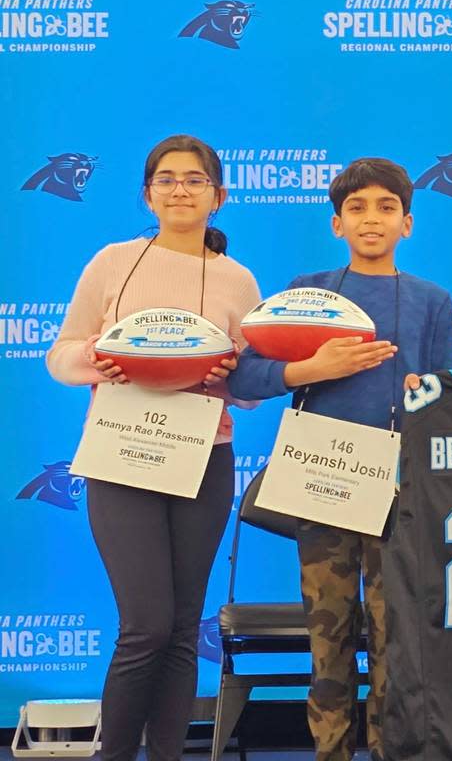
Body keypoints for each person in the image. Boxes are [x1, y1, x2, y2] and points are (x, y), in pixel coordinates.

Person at [227, 157, 452, 761]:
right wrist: (311, 369)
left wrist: (427, 395)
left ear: (407, 223)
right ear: (336, 224)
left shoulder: (433, 301)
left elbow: (449, 394)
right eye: (356, 208)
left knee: (394, 635)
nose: (371, 219)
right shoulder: (309, 292)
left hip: (397, 489)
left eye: (386, 207)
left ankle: (388, 749)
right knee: (327, 636)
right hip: (321, 482)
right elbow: (247, 375)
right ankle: (330, 751)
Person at [46, 134, 262, 761]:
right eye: (166, 180)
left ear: (219, 196)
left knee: (182, 629)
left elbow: (248, 389)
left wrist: (229, 377)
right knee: (145, 627)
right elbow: (60, 355)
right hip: (121, 456)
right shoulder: (113, 261)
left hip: (204, 458)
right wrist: (97, 359)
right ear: (147, 194)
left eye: (195, 180)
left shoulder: (236, 279)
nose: (180, 190)